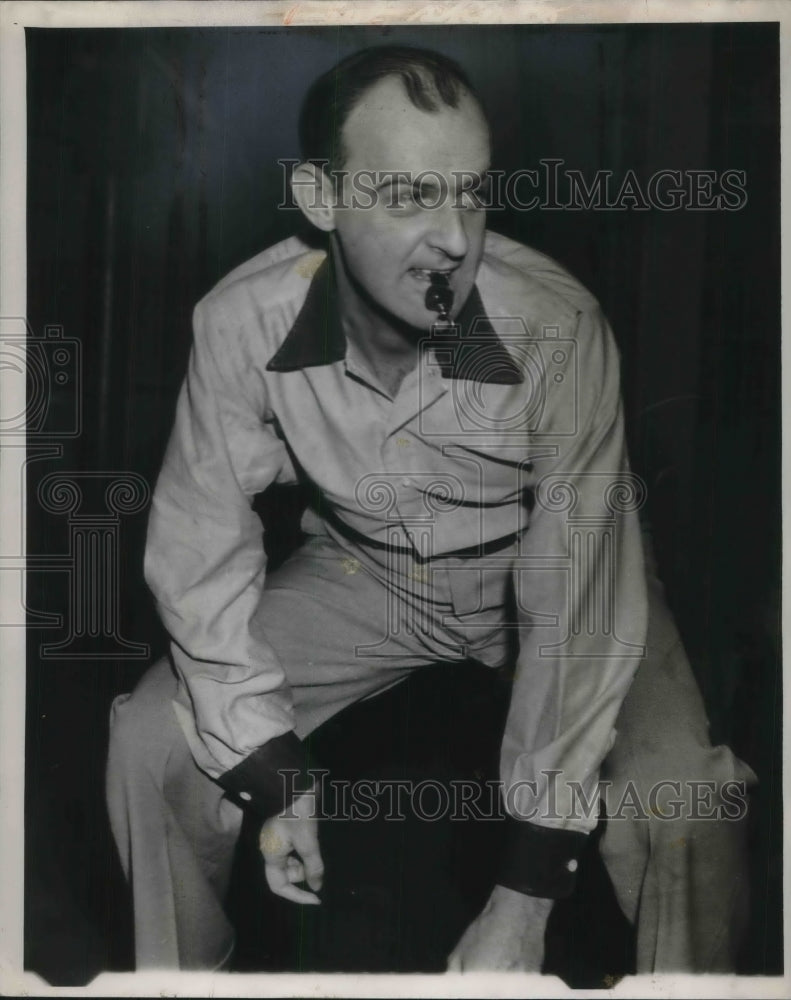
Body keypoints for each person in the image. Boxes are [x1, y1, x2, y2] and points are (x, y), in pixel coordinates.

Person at [106, 46, 756, 973]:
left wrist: (526, 895)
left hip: (557, 567)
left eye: (472, 193)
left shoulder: (558, 329)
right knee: (148, 739)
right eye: (409, 196)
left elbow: (574, 594)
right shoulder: (239, 322)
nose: (455, 237)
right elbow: (199, 544)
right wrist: (271, 767)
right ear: (319, 200)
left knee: (686, 798)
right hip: (359, 571)